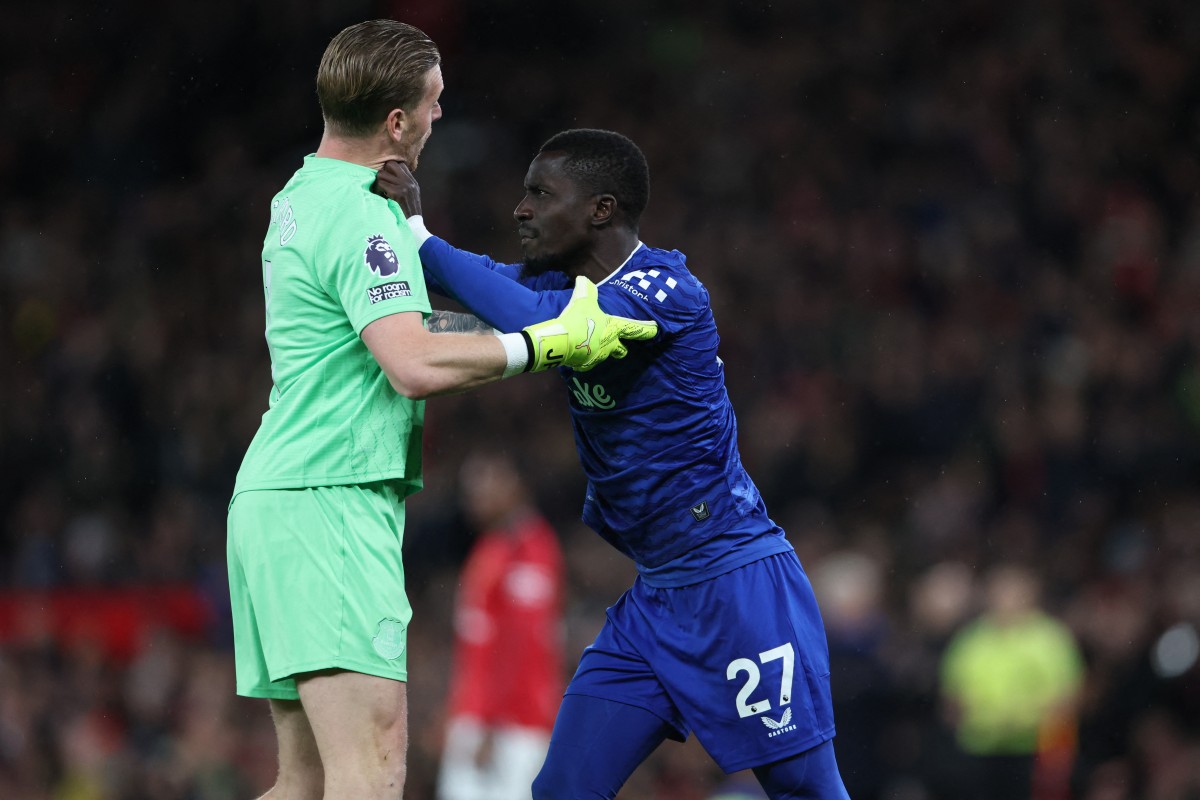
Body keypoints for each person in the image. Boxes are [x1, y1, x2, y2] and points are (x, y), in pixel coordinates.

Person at [225, 24, 655, 800]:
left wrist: (527, 326)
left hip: (280, 499)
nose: (439, 117)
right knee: (372, 768)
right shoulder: (360, 215)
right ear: (396, 121)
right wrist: (543, 346)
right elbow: (413, 362)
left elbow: (403, 335)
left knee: (302, 782)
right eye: (433, 103)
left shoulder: (299, 197)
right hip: (330, 502)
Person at [373, 129, 850, 798]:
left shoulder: (664, 289)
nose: (521, 209)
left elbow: (530, 316)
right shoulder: (561, 285)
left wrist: (421, 235)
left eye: (541, 193)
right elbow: (487, 291)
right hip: (655, 601)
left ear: (601, 209)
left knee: (804, 788)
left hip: (735, 586)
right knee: (561, 791)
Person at [436, 450, 565, 800]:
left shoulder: (530, 548)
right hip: (480, 717)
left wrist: (490, 722)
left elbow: (520, 642)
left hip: (513, 723)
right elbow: (478, 648)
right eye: (471, 484)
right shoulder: (491, 548)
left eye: (488, 481)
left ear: (517, 487)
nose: (476, 492)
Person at [939, 563, 1085, 800]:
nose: (1006, 599)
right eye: (1000, 592)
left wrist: (1021, 719)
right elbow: (952, 696)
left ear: (1031, 594)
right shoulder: (970, 640)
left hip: (1035, 749)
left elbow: (1067, 696)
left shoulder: (1049, 639)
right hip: (980, 747)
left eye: (1014, 592)